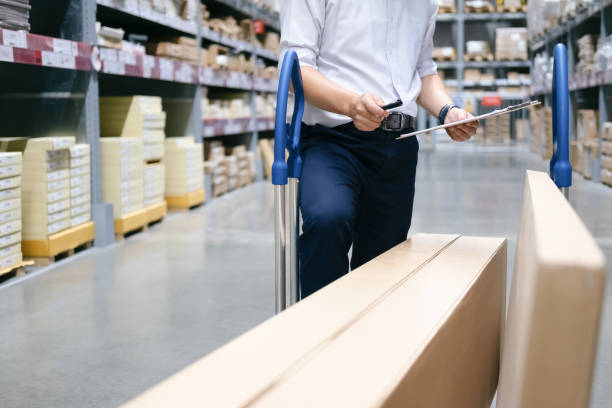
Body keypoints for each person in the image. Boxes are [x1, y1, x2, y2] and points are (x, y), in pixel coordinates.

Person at [280, 0, 479, 298]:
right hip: (332, 138)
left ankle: (370, 339)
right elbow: (295, 67)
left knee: (383, 258)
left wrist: (446, 111)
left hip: (398, 145)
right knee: (327, 219)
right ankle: (319, 333)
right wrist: (350, 104)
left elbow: (423, 69)